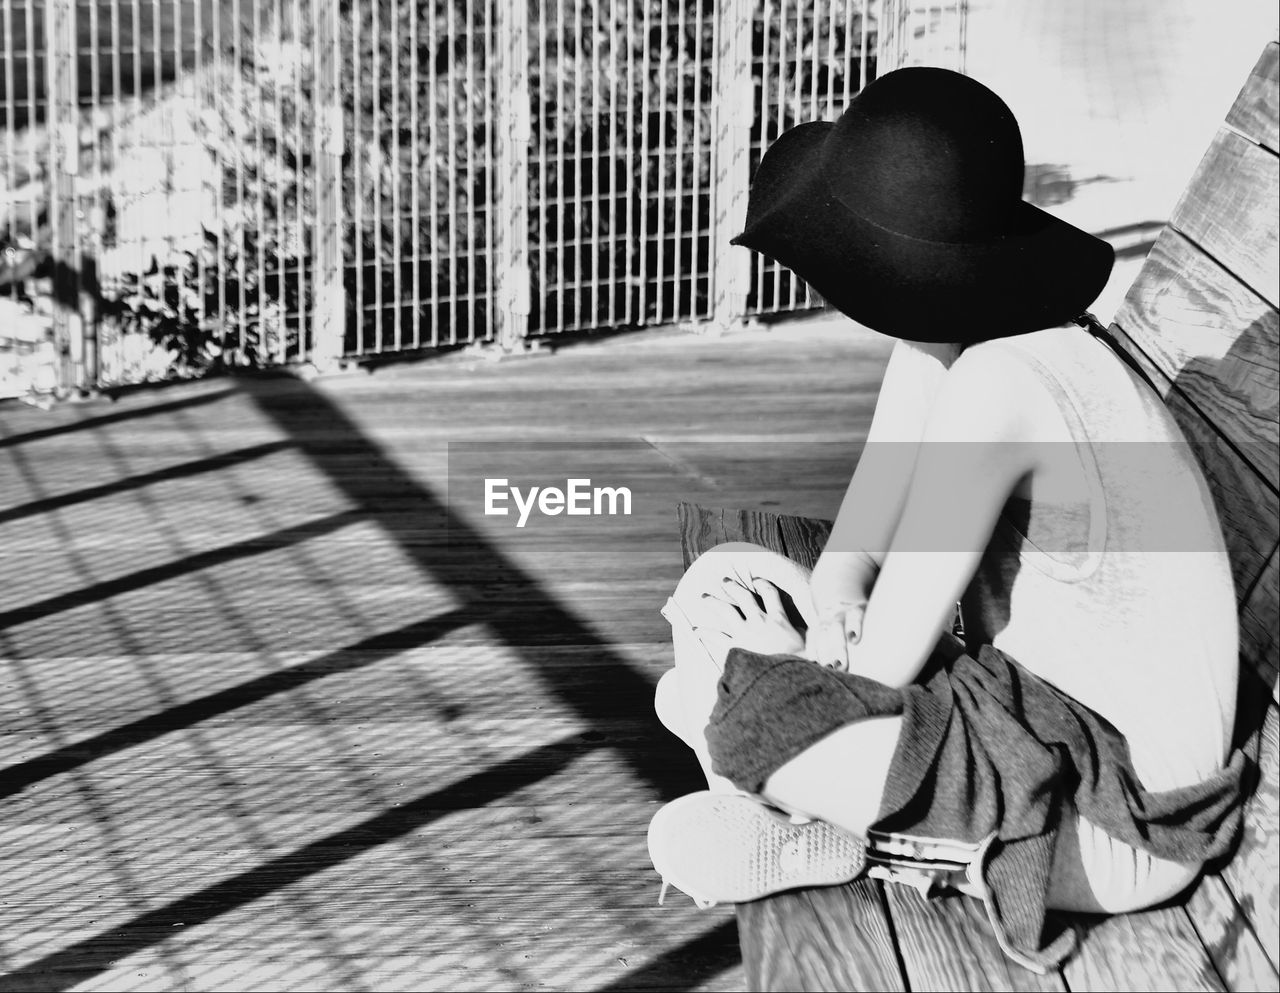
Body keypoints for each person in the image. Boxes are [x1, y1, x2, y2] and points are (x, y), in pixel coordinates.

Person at [646, 67, 1246, 972]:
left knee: (724, 700)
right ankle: (808, 804)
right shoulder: (964, 340)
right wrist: (825, 607)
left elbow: (884, 664)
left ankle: (833, 829)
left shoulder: (1002, 388)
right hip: (1027, 704)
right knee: (719, 596)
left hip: (1110, 811)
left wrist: (787, 656)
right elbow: (857, 550)